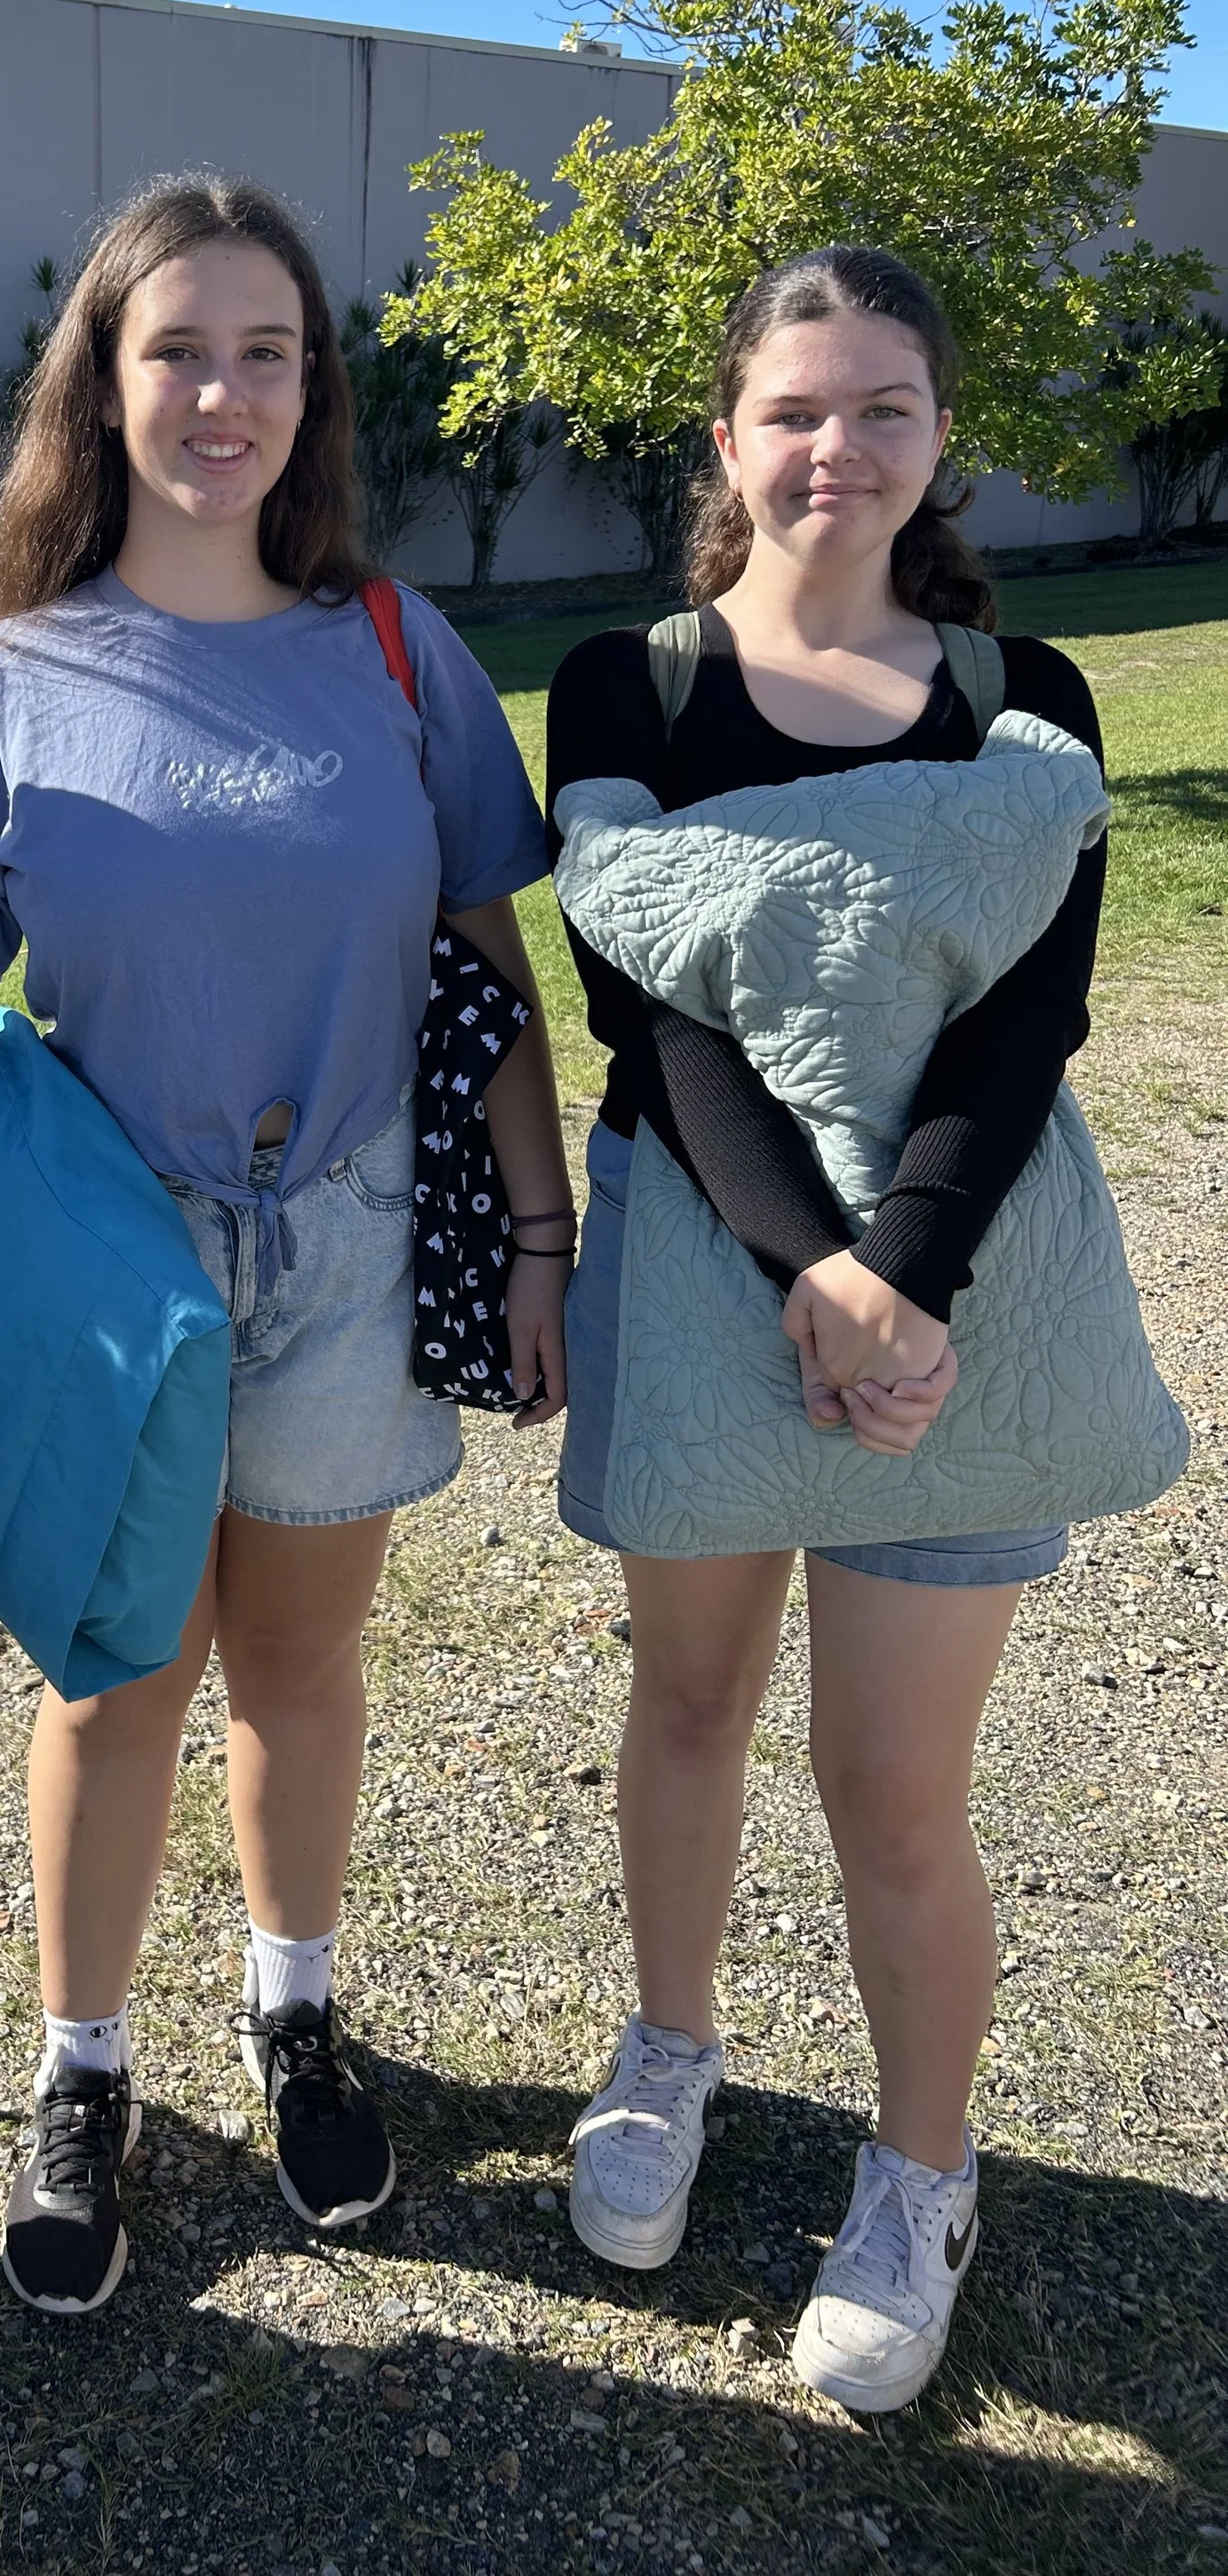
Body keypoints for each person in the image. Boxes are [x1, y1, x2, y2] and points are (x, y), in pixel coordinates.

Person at [0, 177, 570, 2314]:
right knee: (116, 1679)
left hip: (349, 1239)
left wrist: (540, 1232)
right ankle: (81, 2069)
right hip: (109, 1272)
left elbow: (485, 964)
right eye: (176, 350)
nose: (222, 395)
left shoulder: (393, 649)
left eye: (268, 352)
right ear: (101, 380)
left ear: (312, 390)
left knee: (300, 1667)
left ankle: (291, 2005)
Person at [546, 249, 1109, 2414]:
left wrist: (905, 1277)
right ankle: (666, 2048)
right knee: (685, 1703)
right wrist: (805, 1263)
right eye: (792, 407)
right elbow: (648, 1007)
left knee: (890, 1786)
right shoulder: (625, 688)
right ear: (725, 435)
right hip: (704, 1262)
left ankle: (917, 2172)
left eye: (883, 406)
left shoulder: (1021, 694)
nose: (833, 447)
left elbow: (1024, 1019)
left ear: (938, 436)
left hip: (950, 1300)